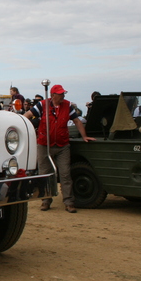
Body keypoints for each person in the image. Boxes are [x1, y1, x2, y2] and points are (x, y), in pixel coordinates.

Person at [24, 84, 96, 213]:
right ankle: (46, 200)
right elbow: (27, 115)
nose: (63, 96)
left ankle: (69, 202)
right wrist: (24, 129)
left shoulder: (68, 106)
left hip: (62, 145)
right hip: (44, 145)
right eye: (60, 94)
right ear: (53, 95)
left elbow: (77, 121)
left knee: (65, 173)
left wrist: (84, 136)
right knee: (45, 173)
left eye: (63, 94)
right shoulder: (42, 105)